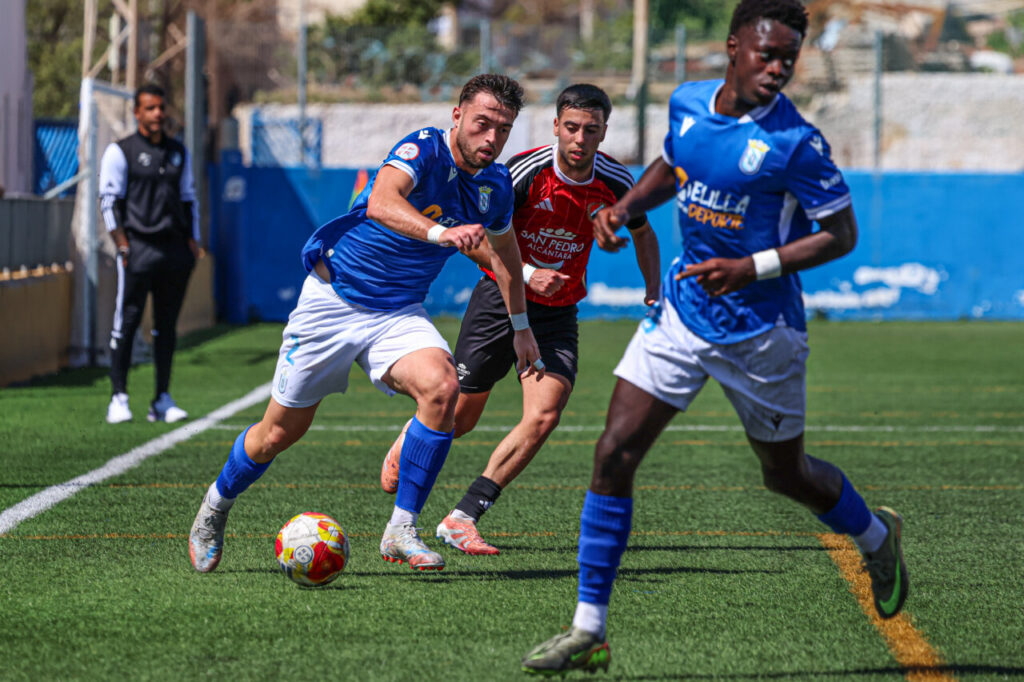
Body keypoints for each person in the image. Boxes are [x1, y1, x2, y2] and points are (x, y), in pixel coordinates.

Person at [521, 0, 909, 674]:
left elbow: (841, 235)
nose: (779, 67)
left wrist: (751, 266)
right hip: (681, 314)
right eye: (767, 53)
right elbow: (674, 166)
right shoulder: (689, 104)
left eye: (790, 57)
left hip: (763, 332)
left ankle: (876, 538)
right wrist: (623, 208)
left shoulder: (796, 143)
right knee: (614, 452)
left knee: (783, 474)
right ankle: (590, 629)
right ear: (733, 48)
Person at [188, 74, 542, 575]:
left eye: (502, 130)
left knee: (443, 388)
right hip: (333, 301)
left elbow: (504, 255)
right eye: (483, 123)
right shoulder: (422, 148)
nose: (491, 139)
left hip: (396, 313)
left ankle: (401, 529)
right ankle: (215, 507)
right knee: (276, 434)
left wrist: (522, 326)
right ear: (458, 115)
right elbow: (381, 201)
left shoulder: (495, 185)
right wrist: (441, 232)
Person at [379, 84, 661, 556]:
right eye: (571, 127)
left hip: (558, 315)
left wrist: (654, 295)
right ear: (556, 126)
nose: (579, 138)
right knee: (459, 418)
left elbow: (644, 233)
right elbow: (481, 243)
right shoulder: (522, 172)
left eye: (591, 130)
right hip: (499, 302)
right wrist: (527, 276)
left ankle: (463, 516)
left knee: (545, 413)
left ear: (603, 133)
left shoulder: (615, 180)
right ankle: (413, 434)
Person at [99, 83, 200, 424]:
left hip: (173, 251)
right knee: (126, 322)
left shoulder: (177, 152)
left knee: (166, 327)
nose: (158, 114)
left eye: (161, 107)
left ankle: (161, 400)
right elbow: (109, 200)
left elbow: (189, 198)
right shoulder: (120, 151)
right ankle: (119, 397)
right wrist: (122, 244)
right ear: (137, 113)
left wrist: (192, 240)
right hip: (138, 248)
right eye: (150, 108)